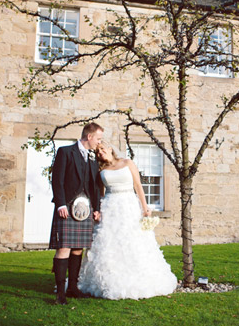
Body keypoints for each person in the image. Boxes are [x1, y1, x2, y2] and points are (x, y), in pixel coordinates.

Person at [78, 141, 178, 300]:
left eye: (102, 149)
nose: (100, 153)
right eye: (97, 152)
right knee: (110, 242)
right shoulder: (101, 169)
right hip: (110, 207)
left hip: (129, 205)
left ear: (110, 149)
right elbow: (100, 192)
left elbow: (138, 186)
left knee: (133, 240)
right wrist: (97, 209)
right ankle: (108, 278)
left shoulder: (128, 163)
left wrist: (145, 208)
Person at [49, 123, 104, 305]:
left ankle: (73, 288)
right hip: (67, 206)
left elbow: (95, 186)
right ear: (89, 137)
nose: (99, 142)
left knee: (78, 248)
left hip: (86, 208)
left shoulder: (92, 158)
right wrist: (60, 204)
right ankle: (60, 293)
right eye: (98, 138)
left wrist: (96, 208)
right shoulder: (65, 152)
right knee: (64, 247)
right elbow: (57, 180)